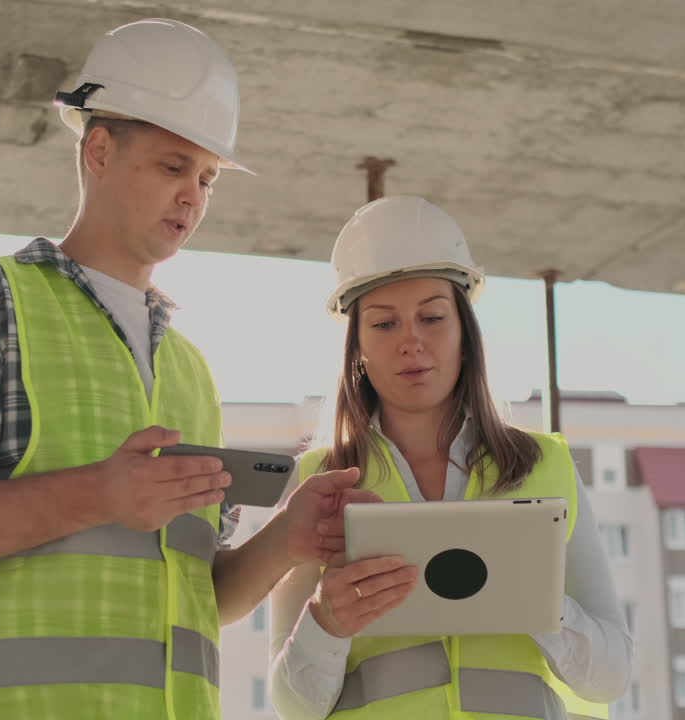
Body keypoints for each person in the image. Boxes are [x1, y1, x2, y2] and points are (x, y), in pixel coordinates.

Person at [0, 18, 367, 720]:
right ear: (99, 150)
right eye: (172, 166)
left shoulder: (188, 370)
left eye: (208, 178)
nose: (193, 195)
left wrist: (289, 539)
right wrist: (97, 494)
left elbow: (196, 598)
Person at [267, 195, 633, 720]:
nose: (412, 342)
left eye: (432, 318)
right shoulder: (318, 482)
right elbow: (292, 708)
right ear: (358, 350)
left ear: (466, 335)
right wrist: (326, 622)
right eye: (385, 324)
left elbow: (611, 677)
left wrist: (533, 598)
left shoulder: (547, 465)